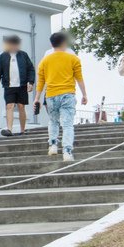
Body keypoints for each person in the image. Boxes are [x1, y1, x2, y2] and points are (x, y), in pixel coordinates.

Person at [33, 31, 88, 162]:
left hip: (51, 95)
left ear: (51, 44)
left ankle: (53, 145)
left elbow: (41, 81)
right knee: (67, 124)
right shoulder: (73, 58)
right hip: (67, 94)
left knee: (53, 121)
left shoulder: (44, 61)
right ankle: (67, 151)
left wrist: (37, 98)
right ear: (64, 43)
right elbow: (79, 78)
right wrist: (84, 94)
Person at [0, 35, 35, 137]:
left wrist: (31, 82)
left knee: (21, 106)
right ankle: (9, 129)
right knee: (9, 106)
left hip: (22, 85)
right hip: (9, 86)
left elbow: (31, 69)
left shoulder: (23, 55)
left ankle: (22, 130)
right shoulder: (3, 56)